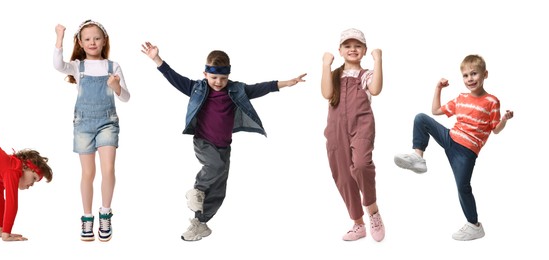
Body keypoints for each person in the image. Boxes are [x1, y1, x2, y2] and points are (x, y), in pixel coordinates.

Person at [141, 41, 306, 241]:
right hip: (203, 142)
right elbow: (174, 78)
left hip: (224, 146)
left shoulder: (235, 90)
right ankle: (197, 190)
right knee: (215, 166)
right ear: (205, 75)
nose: (218, 82)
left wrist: (286, 83)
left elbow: (261, 88)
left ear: (229, 76)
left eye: (223, 78)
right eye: (213, 77)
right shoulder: (197, 88)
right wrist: (157, 59)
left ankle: (200, 223)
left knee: (219, 189)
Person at [393, 54, 514, 241]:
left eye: (474, 74)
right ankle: (418, 157)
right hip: (450, 137)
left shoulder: (492, 101)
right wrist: (438, 88)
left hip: (466, 151)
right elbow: (435, 111)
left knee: (463, 187)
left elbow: (495, 129)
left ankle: (474, 225)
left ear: (485, 75)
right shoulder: (461, 98)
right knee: (421, 118)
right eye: (466, 76)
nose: (470, 79)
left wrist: (504, 119)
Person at [53, 19, 130, 242]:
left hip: (107, 122)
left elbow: (125, 97)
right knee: (88, 173)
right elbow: (58, 65)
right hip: (83, 124)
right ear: (80, 42)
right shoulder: (79, 66)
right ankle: (87, 217)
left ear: (104, 40)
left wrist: (116, 86)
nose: (92, 42)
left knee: (108, 169)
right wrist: (59, 37)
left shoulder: (112, 66)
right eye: (87, 39)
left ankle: (105, 212)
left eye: (97, 38)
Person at [320, 28, 385, 242]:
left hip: (361, 126)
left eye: (357, 46)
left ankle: (372, 210)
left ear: (364, 50)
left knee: (361, 165)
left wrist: (378, 61)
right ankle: (358, 224)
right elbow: (327, 94)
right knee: (344, 176)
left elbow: (375, 90)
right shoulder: (335, 75)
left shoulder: (366, 75)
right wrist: (325, 65)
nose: (352, 49)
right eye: (347, 46)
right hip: (336, 129)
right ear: (340, 50)